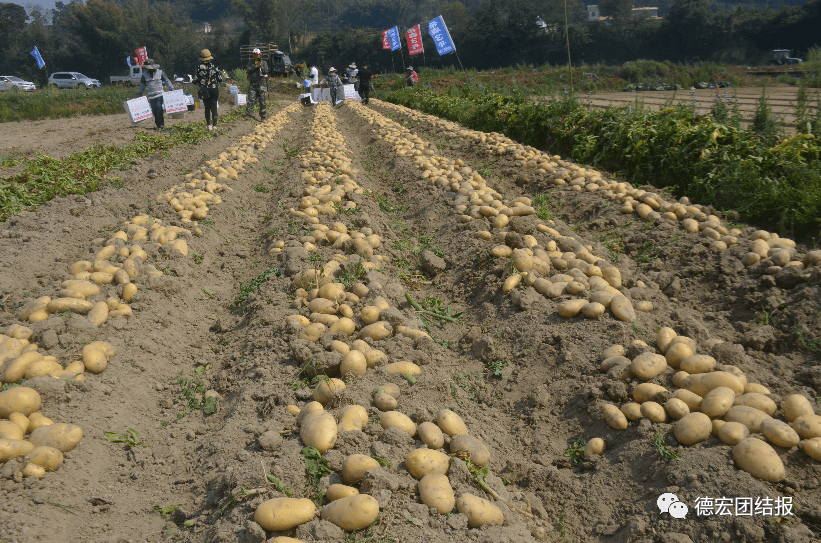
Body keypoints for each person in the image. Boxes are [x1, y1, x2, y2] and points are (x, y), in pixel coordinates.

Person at [137, 58, 175, 130]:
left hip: (160, 94)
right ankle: (157, 124)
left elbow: (167, 80)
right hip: (151, 96)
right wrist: (140, 93)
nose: (150, 69)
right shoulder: (144, 75)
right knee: (154, 110)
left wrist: (172, 88)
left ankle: (161, 124)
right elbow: (142, 85)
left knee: (159, 107)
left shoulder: (160, 72)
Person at [193, 49, 223, 131]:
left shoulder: (199, 67)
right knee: (214, 107)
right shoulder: (214, 67)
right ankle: (215, 126)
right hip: (214, 89)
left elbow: (195, 80)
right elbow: (220, 79)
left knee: (207, 107)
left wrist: (201, 83)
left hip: (204, 90)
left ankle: (208, 125)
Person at [245, 48, 268, 119]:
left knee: (262, 100)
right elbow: (248, 70)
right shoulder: (250, 62)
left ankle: (263, 116)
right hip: (253, 84)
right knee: (251, 99)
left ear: (259, 55)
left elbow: (265, 72)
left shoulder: (263, 62)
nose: (255, 56)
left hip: (261, 84)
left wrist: (261, 67)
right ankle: (249, 114)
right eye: (254, 54)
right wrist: (256, 66)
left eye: (256, 54)